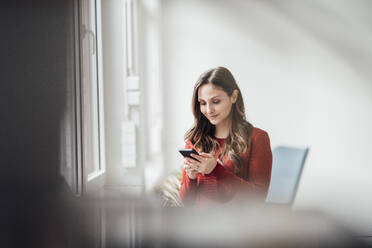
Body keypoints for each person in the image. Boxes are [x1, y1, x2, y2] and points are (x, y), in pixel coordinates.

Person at [179, 66, 272, 207]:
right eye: (203, 103)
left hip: (235, 225)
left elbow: (257, 198)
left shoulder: (258, 138)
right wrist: (191, 178)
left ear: (233, 96)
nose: (209, 110)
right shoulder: (195, 140)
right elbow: (187, 202)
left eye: (216, 101)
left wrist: (215, 170)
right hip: (199, 224)